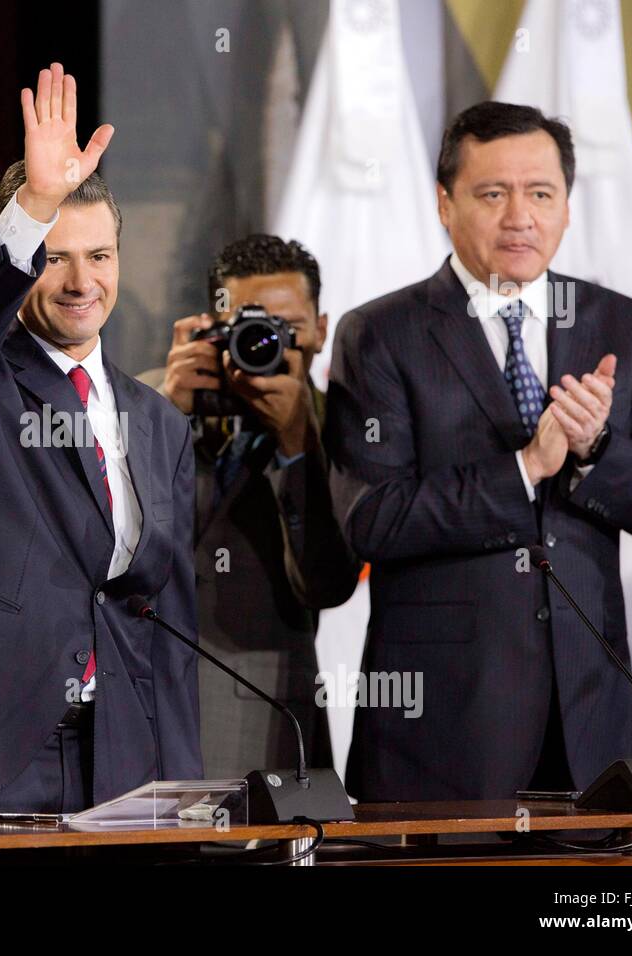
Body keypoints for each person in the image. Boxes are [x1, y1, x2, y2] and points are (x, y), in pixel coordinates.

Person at [325, 102, 632, 800]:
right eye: (492, 194)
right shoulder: (380, 334)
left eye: (541, 194)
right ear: (445, 203)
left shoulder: (620, 324)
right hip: (440, 726)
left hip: (590, 719)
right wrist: (525, 468)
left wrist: (595, 449)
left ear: (566, 206)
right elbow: (371, 519)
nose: (519, 217)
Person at [0, 63, 202, 815]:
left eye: (101, 256)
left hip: (120, 761)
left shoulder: (159, 424)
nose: (82, 280)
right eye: (55, 257)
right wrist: (33, 209)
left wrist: (180, 791)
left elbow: (169, 622)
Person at [142, 235, 358, 777]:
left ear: (322, 329)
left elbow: (327, 586)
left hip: (267, 721)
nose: (268, 344)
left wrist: (297, 446)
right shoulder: (150, 405)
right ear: (213, 328)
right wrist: (169, 419)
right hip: (143, 711)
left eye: (288, 328)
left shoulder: (349, 428)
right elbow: (107, 550)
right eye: (250, 326)